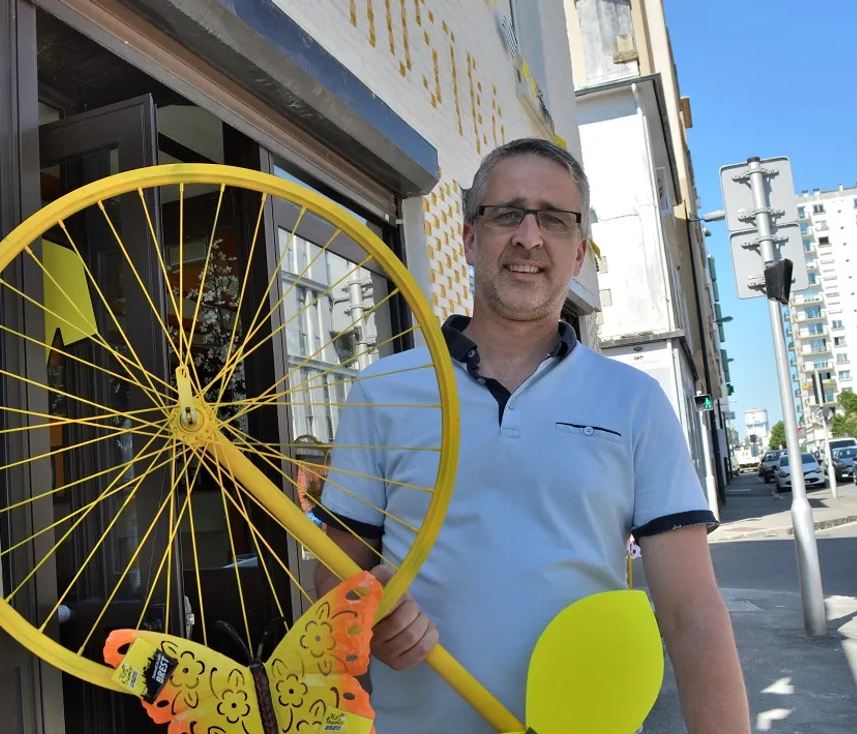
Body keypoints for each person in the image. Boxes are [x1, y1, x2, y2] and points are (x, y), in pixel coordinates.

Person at [313, 137, 750, 733]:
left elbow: (691, 612)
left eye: (554, 219)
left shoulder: (635, 401)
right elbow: (334, 582)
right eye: (506, 214)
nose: (529, 236)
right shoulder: (383, 390)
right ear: (470, 239)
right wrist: (365, 621)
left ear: (579, 255)